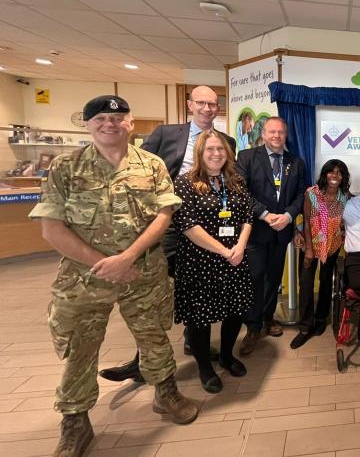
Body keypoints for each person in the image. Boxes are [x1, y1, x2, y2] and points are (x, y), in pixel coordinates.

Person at [30, 96, 198, 457]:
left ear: (131, 123)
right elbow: (52, 229)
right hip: (84, 280)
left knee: (154, 336)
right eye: (101, 118)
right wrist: (105, 263)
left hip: (145, 271)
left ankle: (166, 394)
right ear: (88, 125)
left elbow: (163, 216)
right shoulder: (66, 167)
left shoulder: (151, 165)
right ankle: (75, 421)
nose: (110, 124)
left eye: (118, 117)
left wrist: (129, 257)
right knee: (80, 349)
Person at [100, 85, 235, 384]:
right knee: (153, 292)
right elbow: (136, 168)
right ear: (190, 105)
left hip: (210, 228)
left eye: (213, 104)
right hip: (168, 226)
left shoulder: (226, 141)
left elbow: (229, 179)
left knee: (198, 288)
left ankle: (193, 341)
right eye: (201, 102)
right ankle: (142, 360)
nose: (207, 108)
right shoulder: (166, 134)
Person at [172, 129, 254, 392]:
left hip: (235, 259)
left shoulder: (237, 181)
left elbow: (248, 218)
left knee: (235, 311)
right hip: (200, 262)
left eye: (220, 149)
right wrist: (224, 250)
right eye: (210, 149)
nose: (216, 154)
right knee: (200, 318)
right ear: (200, 152)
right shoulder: (185, 183)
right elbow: (188, 225)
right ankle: (204, 367)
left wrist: (239, 246)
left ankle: (228, 356)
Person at [236, 116, 307, 355]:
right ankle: (253, 327)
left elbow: (300, 195)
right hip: (256, 230)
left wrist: (288, 216)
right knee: (255, 279)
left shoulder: (295, 162)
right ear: (263, 134)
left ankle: (267, 319)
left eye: (281, 132)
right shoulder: (246, 158)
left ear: (285, 135)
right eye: (272, 132)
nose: (276, 136)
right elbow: (241, 192)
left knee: (274, 279)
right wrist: (265, 215)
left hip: (282, 231)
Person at [290, 159, 352, 349]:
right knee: (306, 284)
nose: (335, 176)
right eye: (331, 172)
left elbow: (358, 205)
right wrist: (308, 248)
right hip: (312, 246)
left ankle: (320, 319)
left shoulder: (344, 196)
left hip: (332, 246)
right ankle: (305, 327)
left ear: (343, 177)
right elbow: (307, 221)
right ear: (325, 174)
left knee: (326, 283)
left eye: (339, 173)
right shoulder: (312, 193)